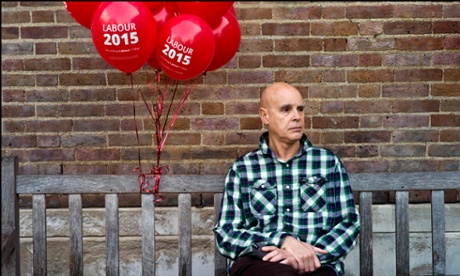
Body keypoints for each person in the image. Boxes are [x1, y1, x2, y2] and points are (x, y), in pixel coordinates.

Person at [213, 82, 360, 276]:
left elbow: (348, 223)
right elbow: (227, 233)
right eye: (286, 109)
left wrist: (309, 256)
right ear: (265, 116)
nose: (297, 116)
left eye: (300, 109)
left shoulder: (326, 163)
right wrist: (282, 241)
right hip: (261, 261)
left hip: (317, 263)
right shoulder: (244, 169)